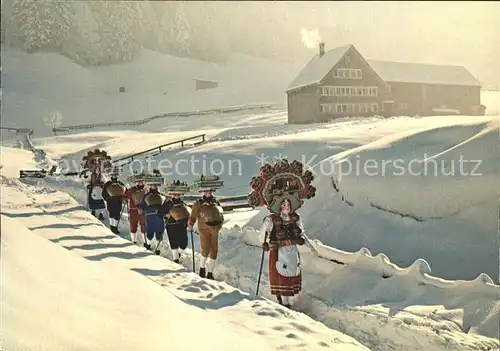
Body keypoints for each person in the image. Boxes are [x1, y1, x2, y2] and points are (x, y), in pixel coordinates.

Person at [259, 197, 318, 308]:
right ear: (279, 206)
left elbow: (302, 235)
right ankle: (284, 303)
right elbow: (262, 234)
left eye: (288, 204)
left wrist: (311, 248)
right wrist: (264, 242)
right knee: (281, 275)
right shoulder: (271, 220)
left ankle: (287, 302)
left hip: (292, 252)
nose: (286, 207)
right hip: (278, 253)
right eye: (284, 204)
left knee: (291, 274)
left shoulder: (295, 218)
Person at [187, 189, 223, 279]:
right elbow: (193, 216)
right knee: (205, 249)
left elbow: (221, 214)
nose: (208, 193)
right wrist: (191, 223)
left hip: (215, 229)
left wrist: (220, 225)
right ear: (202, 192)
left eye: (210, 192)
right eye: (206, 192)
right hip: (203, 229)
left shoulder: (216, 202)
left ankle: (210, 273)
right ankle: (202, 268)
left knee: (214, 251)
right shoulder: (198, 203)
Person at [159, 189, 190, 263]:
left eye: (178, 194)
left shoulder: (183, 204)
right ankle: (175, 259)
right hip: (171, 225)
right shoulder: (167, 203)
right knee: (173, 242)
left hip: (181, 225)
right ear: (172, 194)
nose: (176, 195)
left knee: (183, 244)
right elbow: (160, 213)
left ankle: (179, 253)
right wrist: (165, 215)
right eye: (175, 194)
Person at [139, 183, 167, 254]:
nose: (154, 186)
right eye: (152, 185)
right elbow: (142, 205)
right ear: (150, 186)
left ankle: (158, 248)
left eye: (155, 185)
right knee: (150, 231)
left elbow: (165, 206)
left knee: (159, 232)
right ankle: (148, 245)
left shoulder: (162, 196)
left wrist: (165, 213)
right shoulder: (146, 196)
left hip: (159, 216)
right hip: (149, 215)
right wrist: (141, 209)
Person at [123, 180, 146, 244]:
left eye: (141, 182)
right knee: (133, 225)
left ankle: (145, 242)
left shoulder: (145, 190)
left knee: (143, 226)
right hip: (133, 210)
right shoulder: (132, 190)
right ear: (136, 182)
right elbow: (125, 197)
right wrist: (124, 199)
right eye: (138, 182)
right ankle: (134, 241)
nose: (140, 183)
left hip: (142, 211)